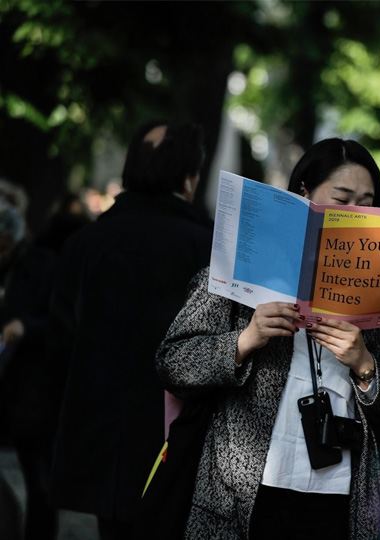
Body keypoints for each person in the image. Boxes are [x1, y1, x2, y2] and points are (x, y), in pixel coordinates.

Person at [156, 138, 380, 540]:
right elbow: (173, 362)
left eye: (367, 202)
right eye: (342, 199)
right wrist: (245, 339)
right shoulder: (243, 266)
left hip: (340, 495)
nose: (355, 213)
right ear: (304, 195)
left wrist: (364, 364)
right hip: (242, 491)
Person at [50, 122, 212, 539]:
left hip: (102, 438)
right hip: (176, 441)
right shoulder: (207, 246)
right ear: (190, 177)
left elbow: (61, 335)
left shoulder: (86, 242)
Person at [0, 193, 91, 540]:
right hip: (20, 389)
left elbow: (59, 323)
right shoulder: (22, 265)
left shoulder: (39, 265)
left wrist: (26, 327)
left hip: (37, 389)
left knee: (39, 479)